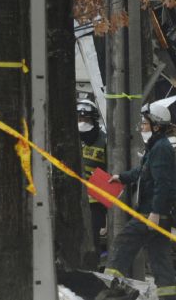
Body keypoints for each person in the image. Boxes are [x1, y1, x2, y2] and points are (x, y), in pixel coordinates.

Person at [104, 103, 176, 300]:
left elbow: (163, 184)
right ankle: (168, 297)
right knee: (160, 259)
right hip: (159, 214)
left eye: (145, 123)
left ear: (156, 126)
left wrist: (155, 213)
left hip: (151, 213)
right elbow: (142, 172)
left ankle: (111, 291)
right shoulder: (156, 146)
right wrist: (121, 177)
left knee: (124, 242)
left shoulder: (161, 148)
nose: (141, 127)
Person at [77, 99, 108, 259]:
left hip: (96, 203)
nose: (82, 123)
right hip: (74, 199)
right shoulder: (72, 139)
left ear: (94, 120)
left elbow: (111, 172)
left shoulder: (104, 141)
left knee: (92, 238)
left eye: (86, 120)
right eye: (80, 119)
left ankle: (93, 265)